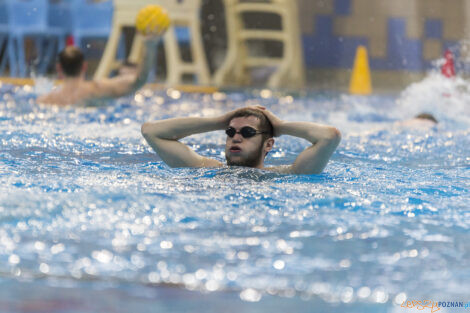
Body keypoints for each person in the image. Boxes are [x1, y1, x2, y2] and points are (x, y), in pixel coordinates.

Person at [141, 106, 341, 174]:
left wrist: (279, 126)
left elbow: (329, 136)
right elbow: (151, 131)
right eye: (230, 132)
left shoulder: (287, 174)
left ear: (269, 144)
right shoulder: (207, 168)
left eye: (247, 132)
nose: (236, 138)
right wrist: (218, 121)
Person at [38, 36, 159, 106]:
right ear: (84, 66)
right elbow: (139, 80)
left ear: (59, 68)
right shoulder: (98, 89)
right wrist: (150, 47)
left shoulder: (46, 100)